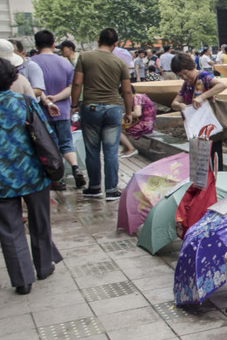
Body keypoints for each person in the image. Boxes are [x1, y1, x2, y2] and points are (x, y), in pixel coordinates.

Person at [0, 58, 62, 295]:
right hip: (32, 173)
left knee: (9, 228)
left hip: (1, 181)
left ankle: (22, 280)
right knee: (40, 221)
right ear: (13, 78)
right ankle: (44, 266)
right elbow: (44, 135)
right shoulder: (24, 102)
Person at [71, 28, 135, 201]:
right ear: (115, 44)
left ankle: (94, 187)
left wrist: (74, 105)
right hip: (113, 109)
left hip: (90, 107)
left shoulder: (84, 57)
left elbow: (77, 84)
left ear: (98, 39)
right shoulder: (120, 62)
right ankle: (112, 190)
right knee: (111, 151)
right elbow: (127, 91)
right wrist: (128, 112)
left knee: (92, 150)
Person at [32, 30, 86, 191]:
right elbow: (72, 87)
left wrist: (48, 100)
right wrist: (56, 98)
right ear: (53, 43)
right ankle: (76, 168)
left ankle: (58, 180)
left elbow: (33, 88)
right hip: (62, 109)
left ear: (36, 44)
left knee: (51, 146)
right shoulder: (65, 63)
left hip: (41, 113)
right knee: (67, 144)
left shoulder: (31, 63)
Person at [169, 52, 227, 171]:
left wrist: (202, 96)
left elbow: (222, 85)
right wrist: (180, 105)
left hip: (209, 126)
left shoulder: (203, 76)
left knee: (213, 160)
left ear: (192, 67)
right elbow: (174, 103)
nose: (185, 77)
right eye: (181, 76)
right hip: (195, 128)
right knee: (199, 162)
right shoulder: (187, 84)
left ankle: (215, 185)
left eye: (186, 73)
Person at [119, 93, 156, 158]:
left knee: (117, 130)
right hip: (149, 124)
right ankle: (126, 149)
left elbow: (137, 113)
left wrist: (122, 115)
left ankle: (131, 149)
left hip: (144, 125)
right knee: (122, 126)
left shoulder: (137, 98)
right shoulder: (140, 96)